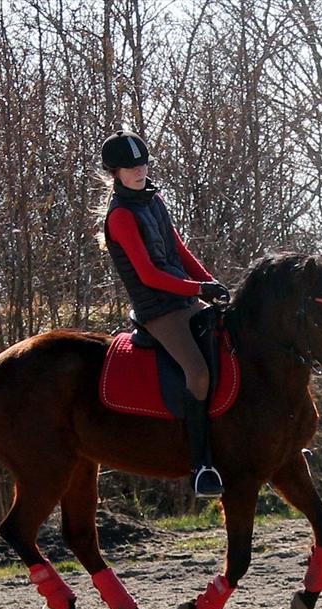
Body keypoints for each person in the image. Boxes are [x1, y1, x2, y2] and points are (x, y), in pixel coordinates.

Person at [99, 129, 228, 498]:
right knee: (199, 373)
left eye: (142, 164)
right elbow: (149, 275)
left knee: (231, 345)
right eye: (131, 167)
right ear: (116, 173)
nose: (139, 171)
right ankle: (201, 464)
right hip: (157, 311)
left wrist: (210, 282)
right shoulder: (121, 216)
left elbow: (179, 251)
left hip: (185, 299)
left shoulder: (153, 201)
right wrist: (198, 289)